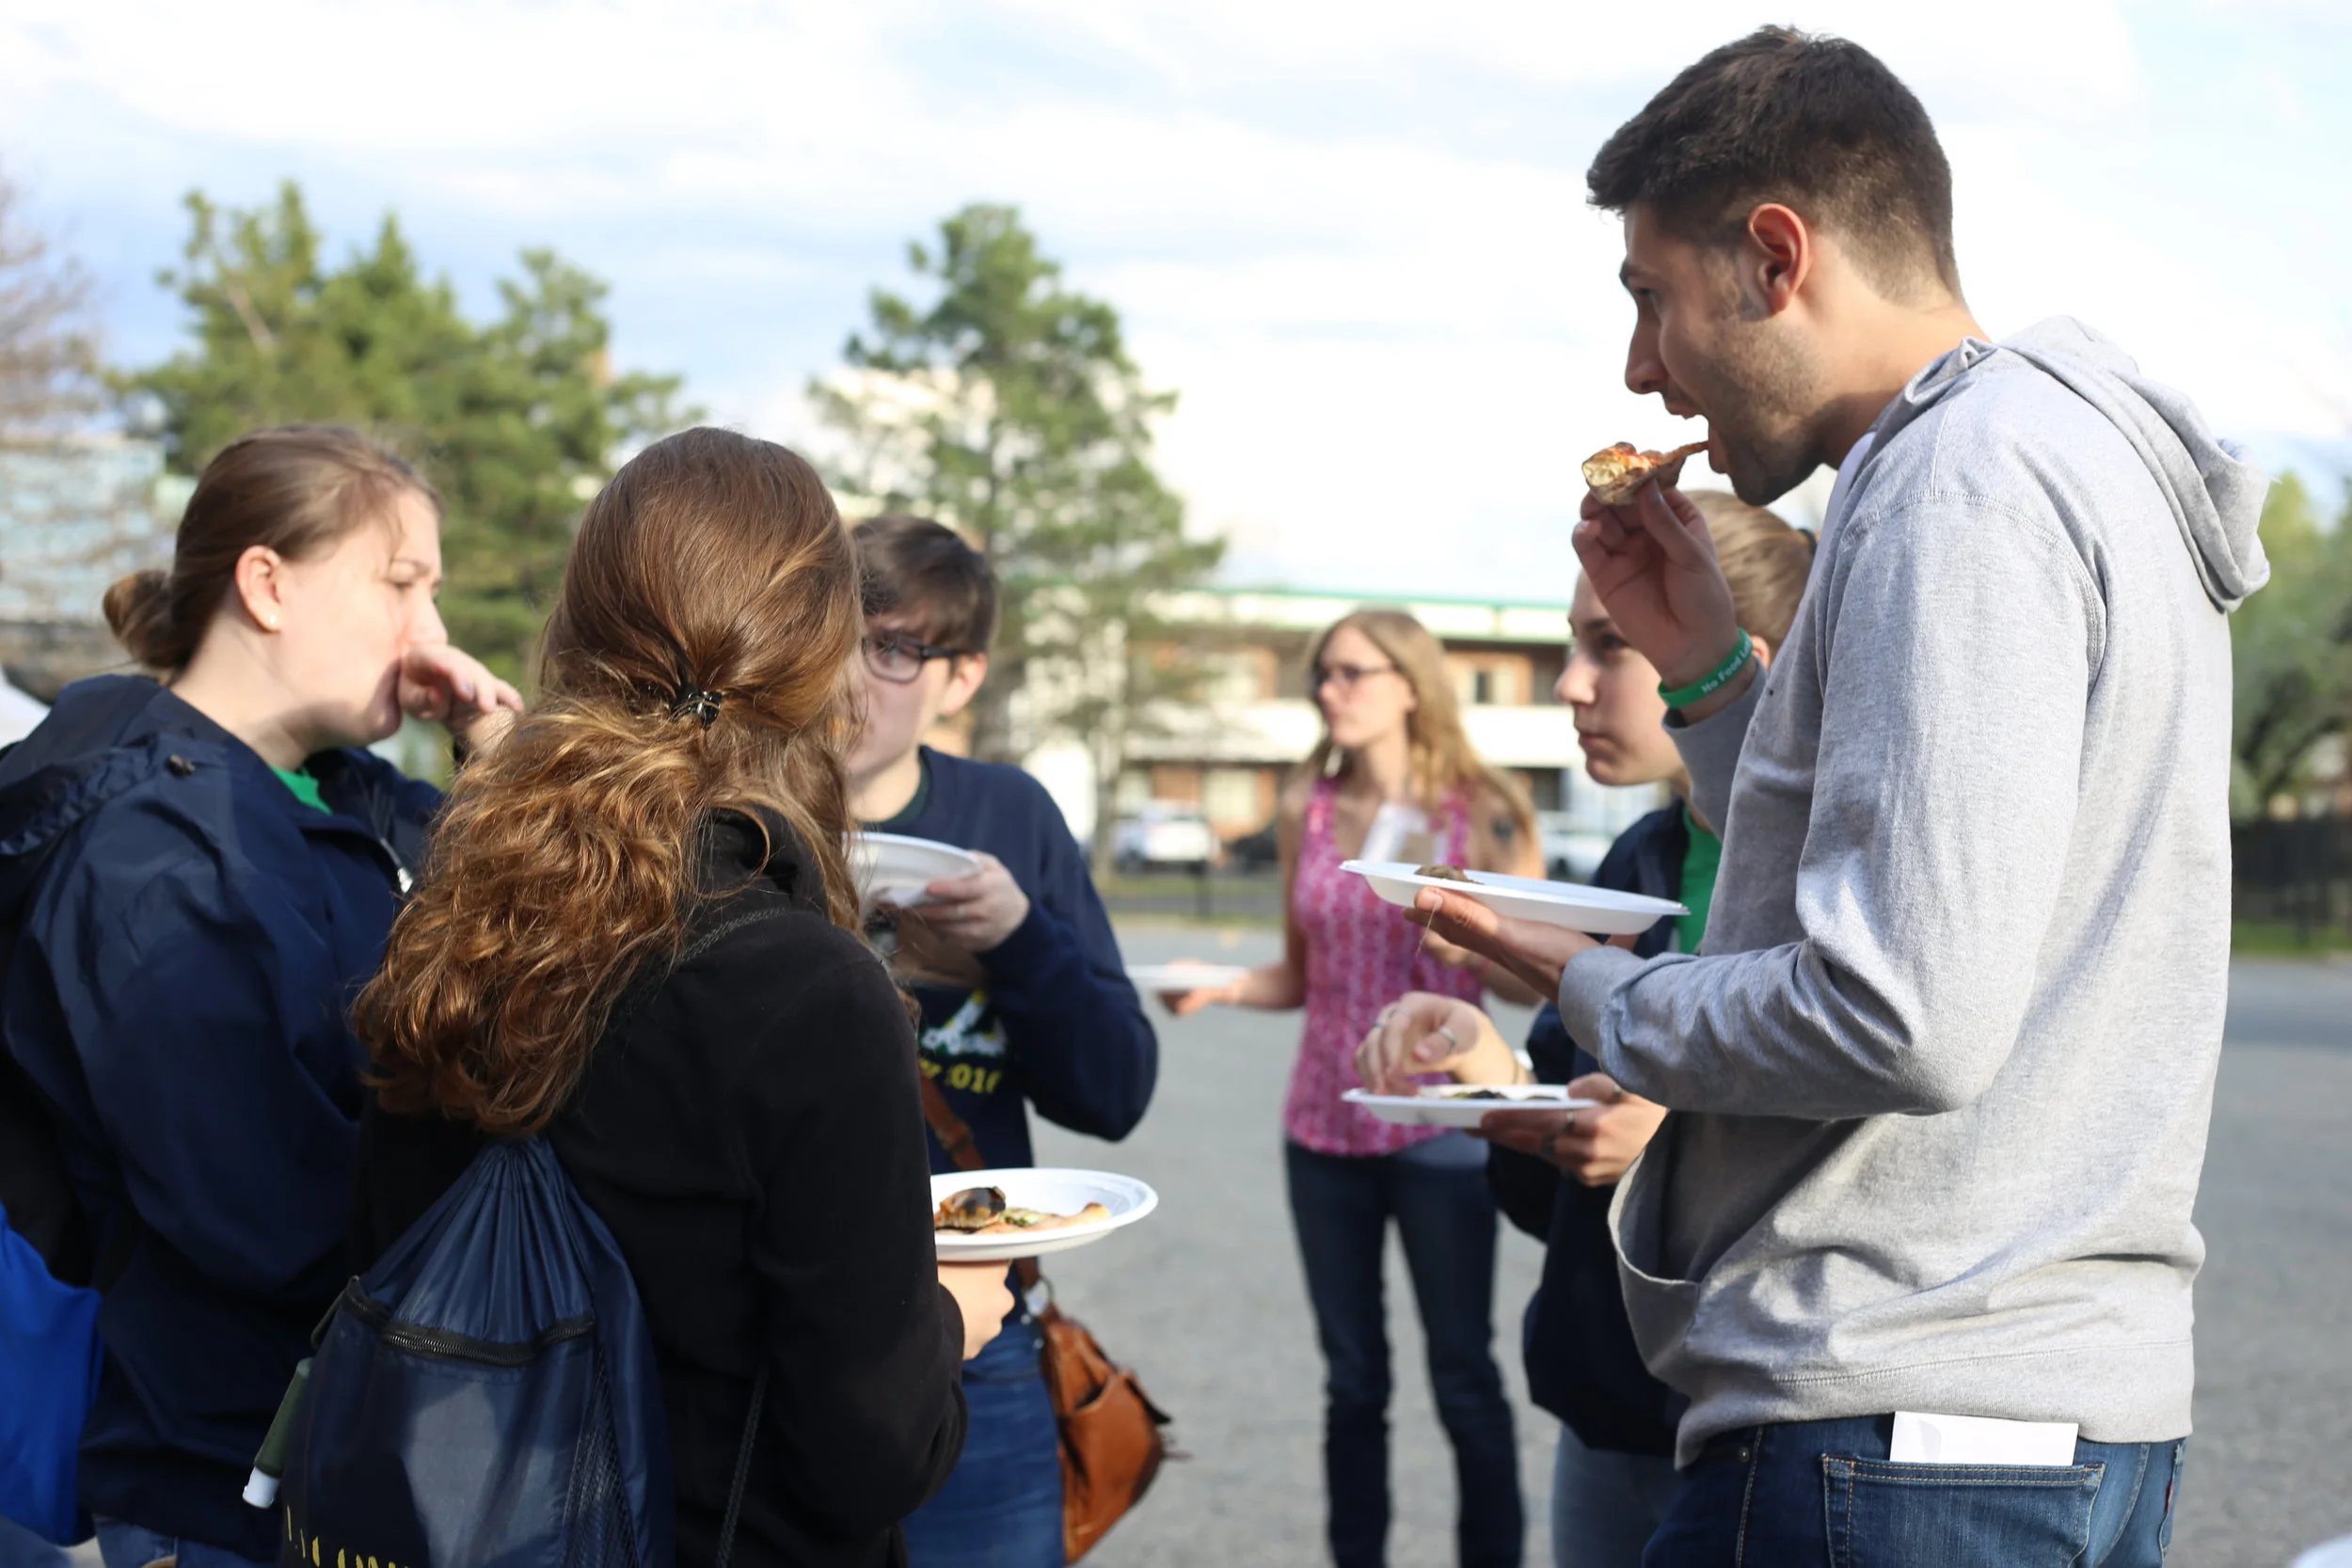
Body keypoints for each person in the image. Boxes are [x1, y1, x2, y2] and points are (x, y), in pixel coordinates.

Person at [1399, 26, 2266, 1568]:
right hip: (2048, 1420)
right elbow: (1930, 877)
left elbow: (1901, 1012)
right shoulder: (2064, 459)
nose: (1642, 366)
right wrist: (1712, 676)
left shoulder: (1961, 479)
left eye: (1652, 296)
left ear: (1776, 256)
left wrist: (1597, 986)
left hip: (1897, 1434)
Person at [349, 430, 1007, 1568]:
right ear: (824, 657)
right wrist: (953, 1319)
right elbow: (870, 1454)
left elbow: (381, 1252)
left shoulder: (462, 916)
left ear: (574, 629)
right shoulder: (811, 991)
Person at [0, 425, 522, 1568]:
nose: (432, 631)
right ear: (267, 584)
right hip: (218, 1470)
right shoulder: (149, 853)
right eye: (400, 583)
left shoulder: (340, 791)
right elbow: (257, 1210)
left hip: (335, 1431)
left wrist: (494, 762)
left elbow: (528, 934)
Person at [1357, 495, 1813, 1568]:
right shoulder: (1630, 868)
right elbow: (1550, 1201)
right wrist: (1497, 1073)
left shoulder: (1828, 879)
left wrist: (1669, 1136)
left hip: (1774, 1418)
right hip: (1608, 1410)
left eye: (1610, 644)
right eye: (1574, 644)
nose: (1569, 682)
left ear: (1733, 659)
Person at [1164, 608, 1538, 1568]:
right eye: (1321, 674)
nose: (1329, 690)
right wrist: (1219, 985)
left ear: (1410, 684)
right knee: (1352, 1381)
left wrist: (1478, 942)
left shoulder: (1485, 807)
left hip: (1442, 1125)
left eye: (1351, 672)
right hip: (1322, 1125)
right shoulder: (1309, 808)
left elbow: (1539, 980)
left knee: (1462, 1373)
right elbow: (1299, 975)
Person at [845, 514, 1158, 1568]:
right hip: (776, 1339)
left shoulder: (1008, 817)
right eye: (832, 635)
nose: (849, 675)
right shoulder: (740, 813)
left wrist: (1020, 941)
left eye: (892, 648)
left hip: (977, 1337)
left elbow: (1114, 1089)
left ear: (962, 677)